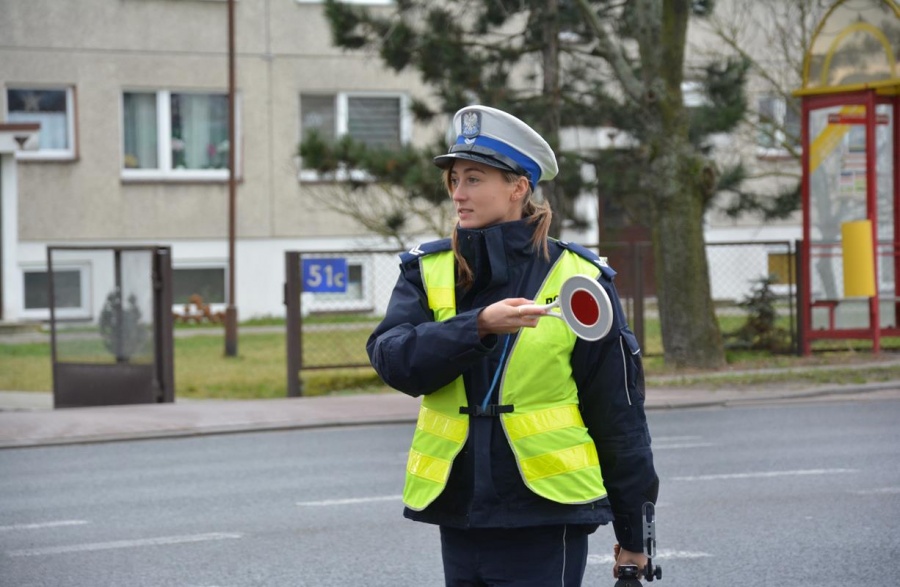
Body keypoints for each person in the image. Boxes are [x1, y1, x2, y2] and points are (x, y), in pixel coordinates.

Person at [366, 105, 659, 586]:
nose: (458, 194)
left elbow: (619, 416)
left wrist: (634, 538)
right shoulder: (428, 269)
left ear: (518, 187)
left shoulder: (580, 280)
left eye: (475, 179)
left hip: (545, 515)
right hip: (458, 510)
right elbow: (395, 361)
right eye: (455, 179)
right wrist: (477, 326)